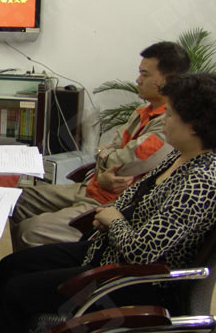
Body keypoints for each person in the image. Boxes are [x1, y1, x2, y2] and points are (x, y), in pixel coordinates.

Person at [0, 73, 216, 333]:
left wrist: (113, 221)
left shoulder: (201, 182)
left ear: (195, 126)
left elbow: (142, 252)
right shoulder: (183, 153)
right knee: (10, 266)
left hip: (130, 280)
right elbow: (136, 195)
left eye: (171, 114)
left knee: (11, 295)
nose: (164, 120)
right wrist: (110, 214)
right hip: (105, 250)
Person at [11, 42, 190, 251]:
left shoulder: (167, 125)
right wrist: (104, 162)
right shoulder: (141, 112)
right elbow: (109, 150)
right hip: (91, 187)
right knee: (16, 200)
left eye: (145, 74)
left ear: (168, 80)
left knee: (29, 231)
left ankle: (42, 267)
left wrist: (104, 157)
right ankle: (23, 264)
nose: (138, 79)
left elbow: (124, 165)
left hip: (109, 204)